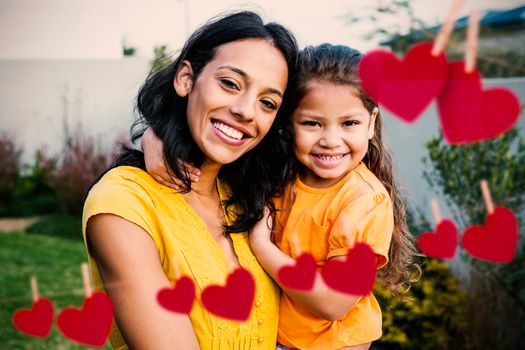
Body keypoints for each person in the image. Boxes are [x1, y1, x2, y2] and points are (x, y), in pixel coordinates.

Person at [143, 43, 418, 350]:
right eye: (312, 123)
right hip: (275, 336)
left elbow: (333, 302)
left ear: (371, 123)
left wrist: (262, 247)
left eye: (349, 123)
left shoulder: (363, 202)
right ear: (288, 124)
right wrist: (154, 140)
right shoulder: (281, 170)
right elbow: (218, 148)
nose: (330, 141)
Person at [82, 11, 298, 350]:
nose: (246, 110)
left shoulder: (254, 196)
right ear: (186, 78)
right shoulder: (123, 205)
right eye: (230, 83)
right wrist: (156, 135)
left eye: (267, 103)